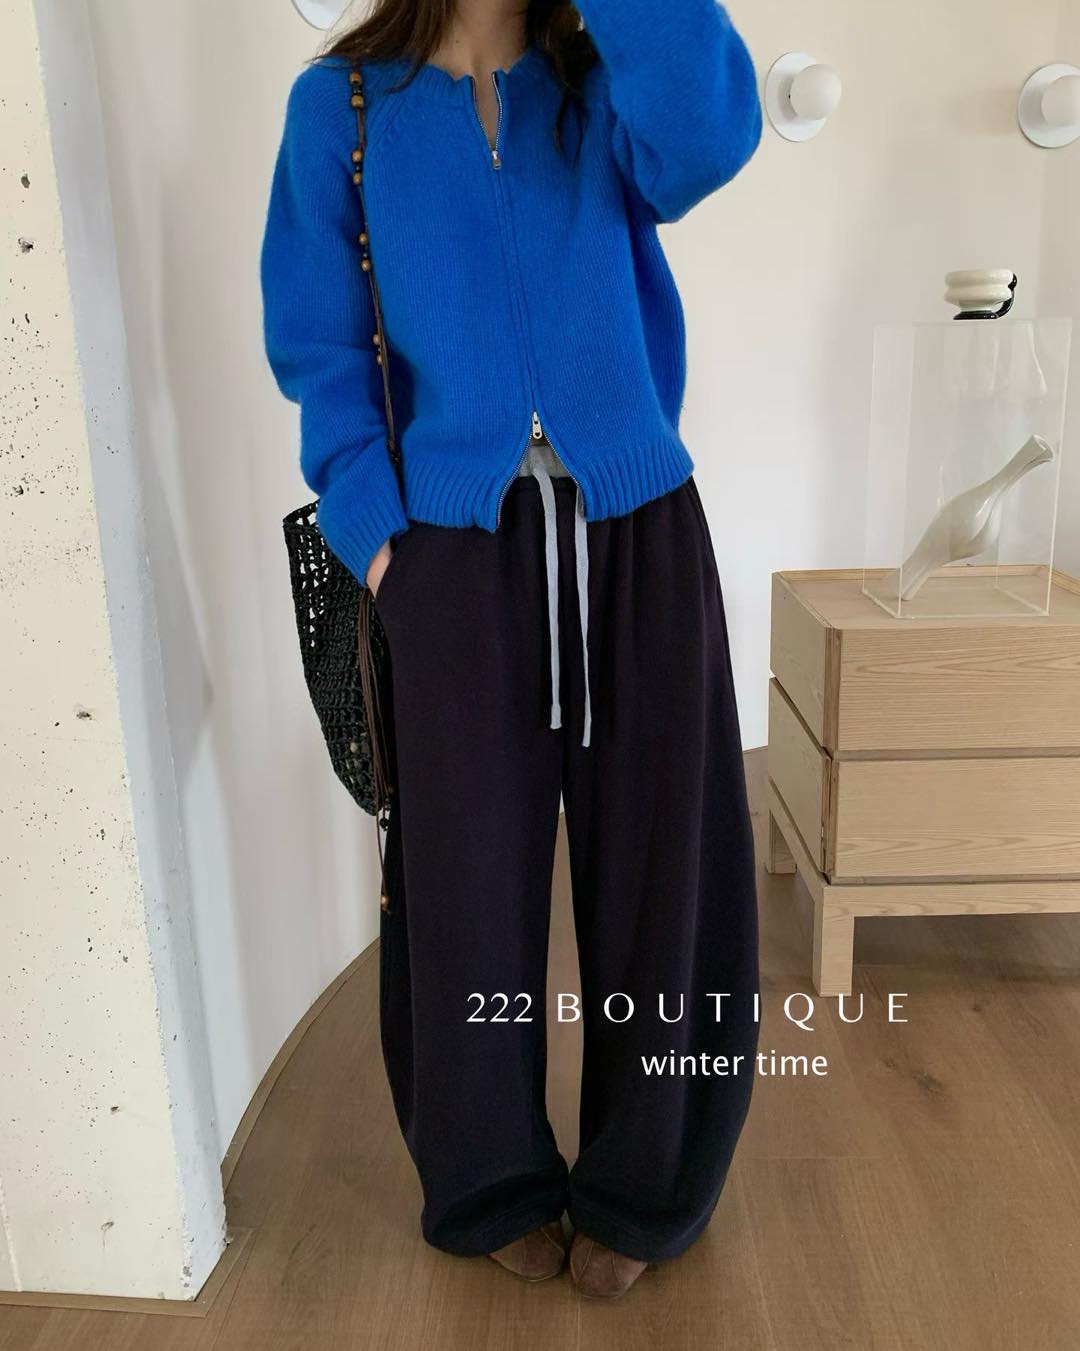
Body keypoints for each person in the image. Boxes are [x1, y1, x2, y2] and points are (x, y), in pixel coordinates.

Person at [261, 0, 761, 1301]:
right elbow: (318, 341)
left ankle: (649, 1184)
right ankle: (488, 1179)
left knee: (667, 869)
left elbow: (711, 138)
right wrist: (382, 544)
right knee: (461, 884)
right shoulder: (343, 108)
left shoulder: (603, 78)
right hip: (453, 551)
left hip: (638, 524)